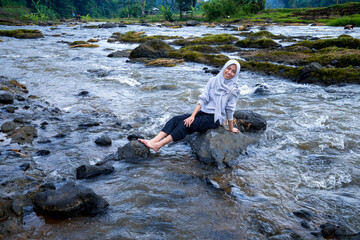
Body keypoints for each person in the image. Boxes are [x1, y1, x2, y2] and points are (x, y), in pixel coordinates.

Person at [138, 59, 241, 152]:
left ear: (236, 74)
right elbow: (203, 98)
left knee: (185, 124)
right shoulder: (213, 81)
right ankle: (153, 140)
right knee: (176, 119)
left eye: (233, 71)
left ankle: (159, 145)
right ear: (225, 67)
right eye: (229, 68)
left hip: (215, 118)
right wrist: (192, 115)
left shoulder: (234, 89)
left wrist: (231, 128)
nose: (229, 72)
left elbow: (229, 110)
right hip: (204, 112)